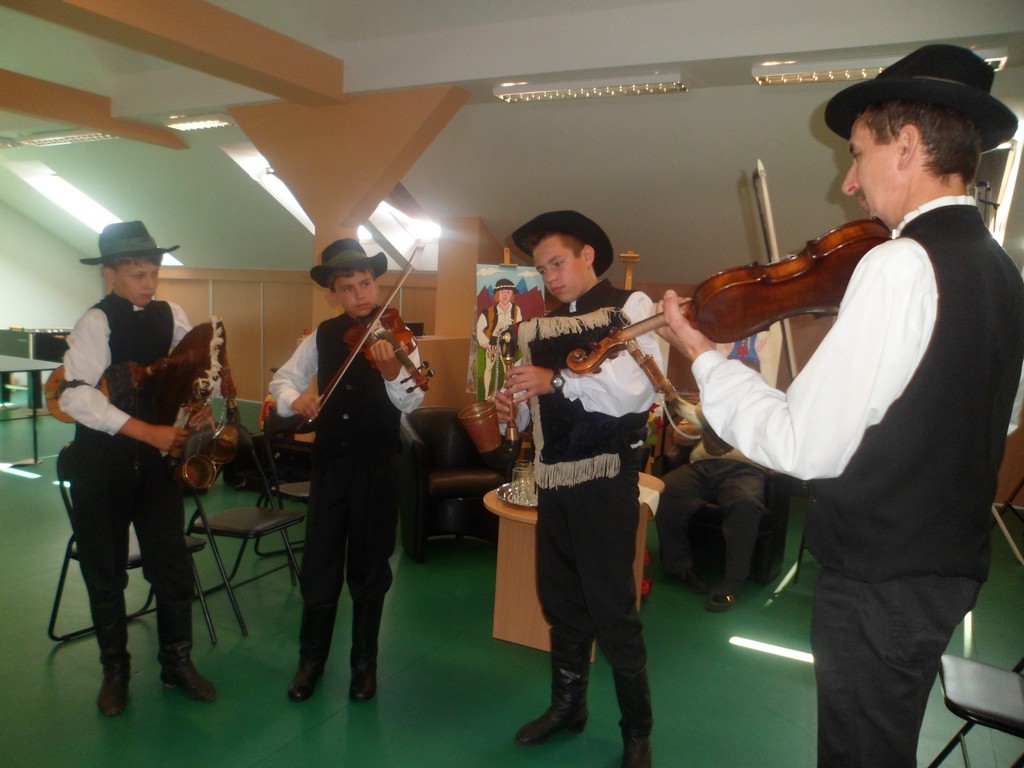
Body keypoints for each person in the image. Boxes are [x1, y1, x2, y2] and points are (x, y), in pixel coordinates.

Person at [657, 45, 1024, 767]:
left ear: (908, 146)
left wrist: (703, 357)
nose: (848, 181)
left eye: (857, 154)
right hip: (946, 569)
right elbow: (1002, 414)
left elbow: (802, 446)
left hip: (879, 579)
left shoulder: (899, 264)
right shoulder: (1003, 270)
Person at [494, 210, 661, 768]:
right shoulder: (537, 329)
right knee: (560, 601)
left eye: (557, 263)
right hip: (554, 482)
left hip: (606, 480)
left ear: (588, 255)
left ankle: (637, 733)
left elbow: (636, 393)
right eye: (542, 269)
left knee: (613, 612)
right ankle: (569, 707)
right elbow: (536, 411)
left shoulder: (628, 309)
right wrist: (514, 408)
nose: (550, 277)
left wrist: (557, 381)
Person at [59, 220, 217, 716]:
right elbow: (74, 397)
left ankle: (176, 662)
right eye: (137, 275)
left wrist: (195, 405)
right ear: (110, 274)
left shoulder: (172, 315)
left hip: (155, 466)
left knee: (171, 563)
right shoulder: (95, 322)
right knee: (104, 569)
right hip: (100, 463)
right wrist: (147, 431)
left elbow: (192, 370)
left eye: (153, 273)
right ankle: (116, 672)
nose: (149, 284)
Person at [269, 238, 424, 704]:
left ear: (376, 284)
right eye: (348, 287)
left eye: (366, 283)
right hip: (331, 465)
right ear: (333, 294)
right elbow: (282, 379)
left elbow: (414, 399)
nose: (360, 294)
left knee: (370, 566)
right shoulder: (322, 335)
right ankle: (309, 664)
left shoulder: (397, 336)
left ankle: (363, 666)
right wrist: (296, 399)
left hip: (378, 467)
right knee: (320, 564)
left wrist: (393, 373)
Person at [656, 421, 768, 611]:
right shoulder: (704, 407)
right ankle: (679, 567)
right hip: (702, 465)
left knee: (745, 503)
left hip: (746, 467)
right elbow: (678, 436)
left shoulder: (763, 409)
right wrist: (702, 426)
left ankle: (734, 579)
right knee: (666, 490)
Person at [476, 277, 523, 399]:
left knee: (508, 370)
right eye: (502, 292)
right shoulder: (488, 311)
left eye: (508, 292)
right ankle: (487, 395)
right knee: (488, 369)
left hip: (508, 344)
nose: (505, 295)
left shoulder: (516, 310)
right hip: (492, 343)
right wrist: (484, 341)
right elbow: (479, 328)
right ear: (497, 294)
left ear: (512, 294)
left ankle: (505, 394)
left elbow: (520, 327)